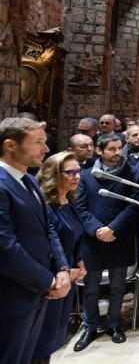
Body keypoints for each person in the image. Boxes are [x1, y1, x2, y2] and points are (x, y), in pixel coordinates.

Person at [0, 117, 70, 364]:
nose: (46, 149)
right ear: (10, 145)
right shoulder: (2, 184)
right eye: (38, 142)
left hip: (37, 291)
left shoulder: (28, 179)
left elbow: (48, 226)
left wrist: (62, 268)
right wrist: (48, 279)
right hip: (12, 294)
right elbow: (6, 248)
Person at [74, 133, 139, 351]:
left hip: (119, 237)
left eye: (120, 148)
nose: (117, 152)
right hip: (94, 240)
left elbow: (133, 205)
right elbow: (81, 208)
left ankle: (114, 324)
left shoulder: (131, 172)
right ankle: (90, 326)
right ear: (100, 151)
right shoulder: (86, 175)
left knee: (118, 287)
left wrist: (113, 228)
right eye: (112, 149)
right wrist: (98, 230)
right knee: (91, 288)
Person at [32, 152, 86, 363]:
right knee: (40, 345)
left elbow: (74, 236)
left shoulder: (69, 201)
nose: (77, 177)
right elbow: (45, 247)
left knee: (54, 340)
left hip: (68, 281)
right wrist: (66, 272)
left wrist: (79, 261)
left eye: (78, 171)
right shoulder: (45, 207)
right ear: (53, 175)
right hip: (52, 283)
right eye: (70, 172)